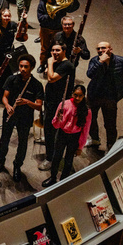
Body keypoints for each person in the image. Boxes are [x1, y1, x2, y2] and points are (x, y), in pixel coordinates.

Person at [0, 55, 44, 181]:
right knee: (4, 139)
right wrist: (7, 105)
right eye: (21, 66)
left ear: (31, 68)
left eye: (26, 67)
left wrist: (27, 102)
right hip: (10, 114)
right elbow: (4, 96)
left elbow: (39, 106)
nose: (23, 69)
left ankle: (17, 166)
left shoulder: (36, 85)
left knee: (23, 142)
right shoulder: (11, 79)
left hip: (25, 117)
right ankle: (0, 162)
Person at [86, 41, 123, 150]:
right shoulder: (95, 60)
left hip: (111, 97)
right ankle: (95, 139)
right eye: (98, 49)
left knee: (110, 123)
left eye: (103, 48)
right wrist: (100, 62)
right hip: (94, 95)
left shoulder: (122, 61)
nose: (100, 51)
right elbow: (90, 74)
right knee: (90, 119)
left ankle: (110, 145)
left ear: (110, 49)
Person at [42, 84, 91, 187]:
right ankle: (53, 177)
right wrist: (58, 118)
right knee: (56, 157)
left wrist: (80, 146)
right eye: (75, 95)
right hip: (62, 134)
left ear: (84, 96)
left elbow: (85, 131)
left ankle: (63, 181)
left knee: (69, 160)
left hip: (74, 137)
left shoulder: (87, 111)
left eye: (80, 96)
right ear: (72, 94)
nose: (77, 98)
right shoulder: (64, 104)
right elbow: (55, 125)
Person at [40, 43, 76, 172]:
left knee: (52, 129)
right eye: (53, 50)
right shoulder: (57, 62)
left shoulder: (66, 65)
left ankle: (50, 158)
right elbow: (46, 74)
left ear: (64, 51)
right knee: (48, 126)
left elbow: (51, 78)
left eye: (57, 50)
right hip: (50, 99)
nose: (54, 53)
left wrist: (49, 63)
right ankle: (50, 151)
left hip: (59, 102)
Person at [0, 9, 17, 101]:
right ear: (1, 16)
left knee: (8, 74)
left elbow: (20, 34)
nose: (7, 18)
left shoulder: (13, 25)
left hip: (9, 53)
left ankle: (6, 95)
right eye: (5, 16)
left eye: (8, 16)